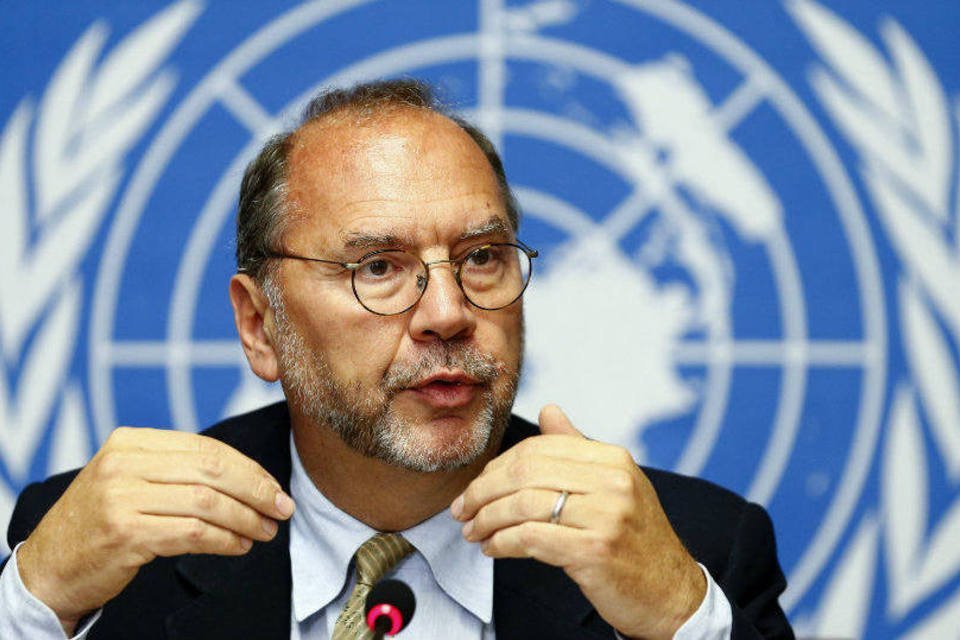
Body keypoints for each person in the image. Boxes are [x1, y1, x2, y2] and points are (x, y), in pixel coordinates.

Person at [1, 79, 794, 640]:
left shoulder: (698, 550)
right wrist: (34, 607)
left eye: (481, 257)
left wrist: (681, 621)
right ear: (259, 325)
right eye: (378, 267)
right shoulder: (109, 555)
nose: (448, 313)